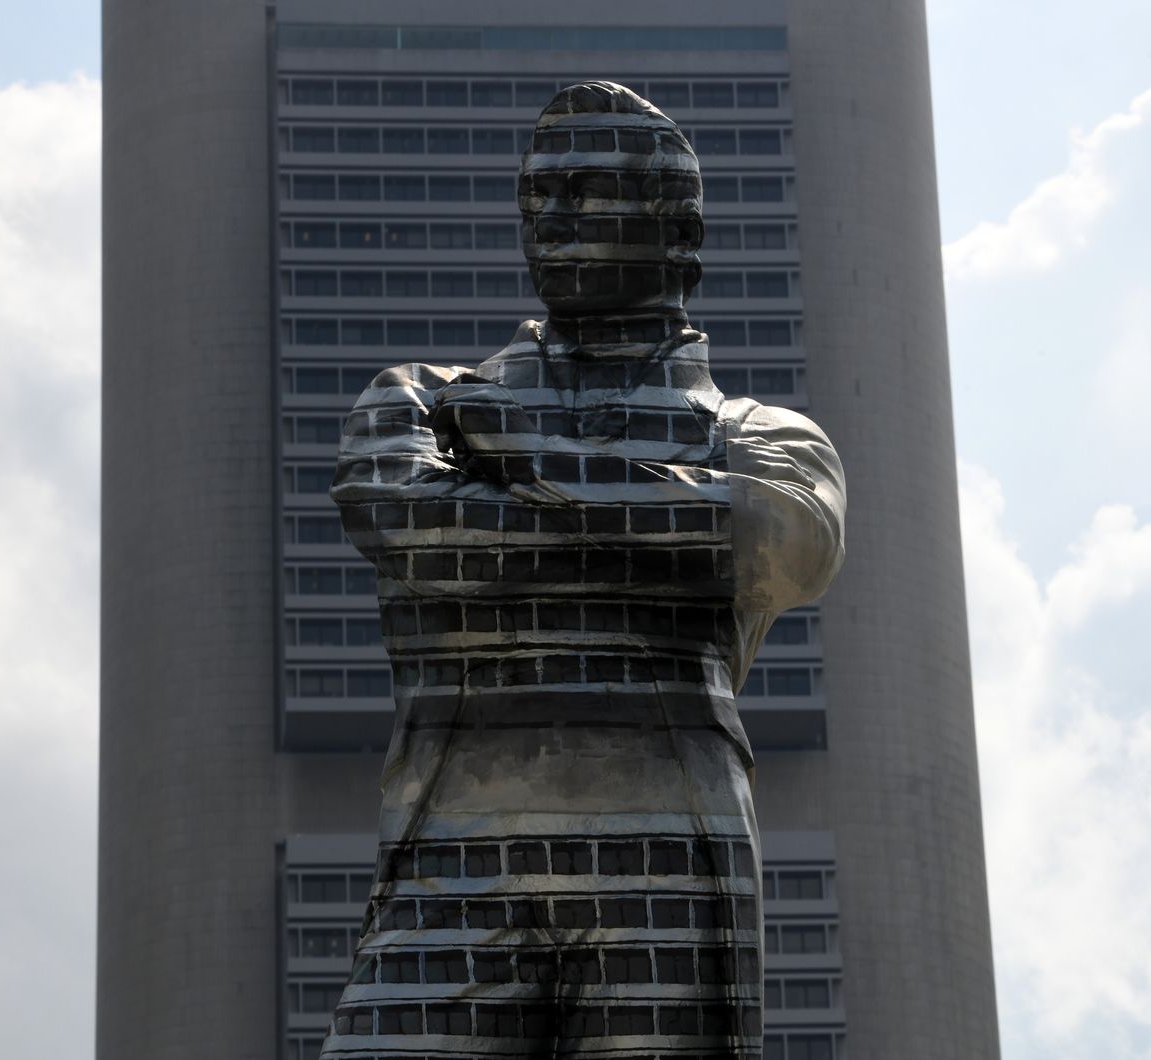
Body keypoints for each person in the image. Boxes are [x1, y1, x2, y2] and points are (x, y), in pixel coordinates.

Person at [324, 81, 845, 1059]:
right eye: (539, 195)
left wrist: (522, 453)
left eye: (587, 189)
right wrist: (659, 538)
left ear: (678, 230)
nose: (552, 218)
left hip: (670, 864)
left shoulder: (766, 436)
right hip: (451, 852)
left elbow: (784, 547)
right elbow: (409, 527)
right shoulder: (417, 401)